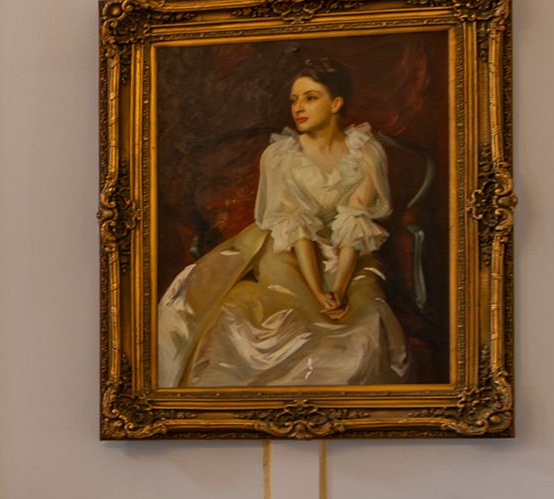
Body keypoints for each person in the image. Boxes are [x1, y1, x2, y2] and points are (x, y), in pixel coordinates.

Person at [154, 57, 411, 388]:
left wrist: (338, 289)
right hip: (288, 251)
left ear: (336, 103)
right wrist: (318, 292)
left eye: (310, 97)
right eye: (294, 100)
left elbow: (355, 224)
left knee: (363, 323)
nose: (298, 107)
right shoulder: (281, 156)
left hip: (348, 257)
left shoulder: (365, 152)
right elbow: (295, 227)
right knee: (268, 321)